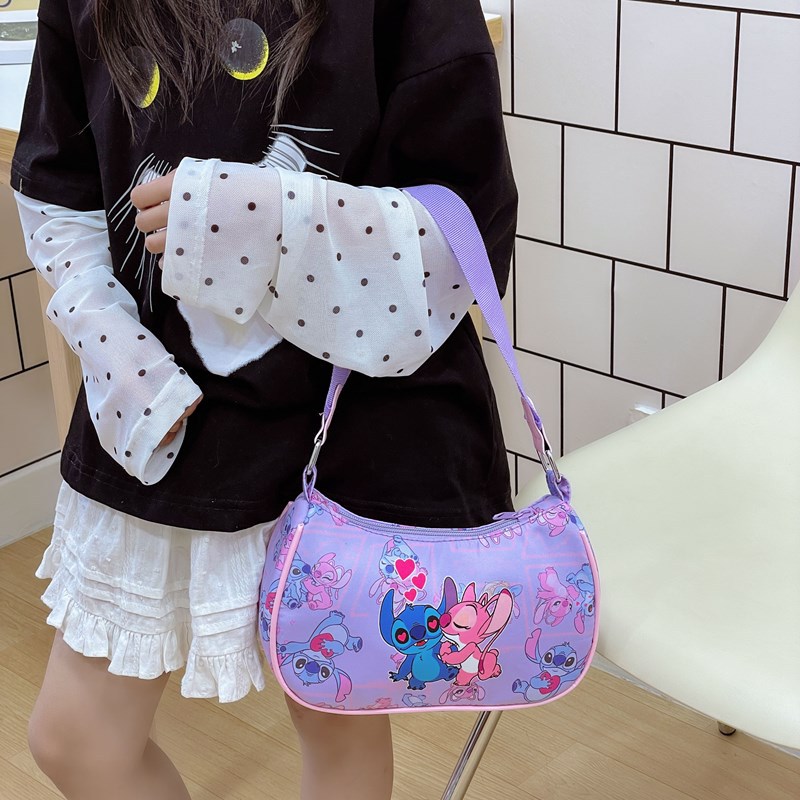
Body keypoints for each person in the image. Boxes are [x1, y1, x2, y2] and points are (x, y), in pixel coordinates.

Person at [11, 0, 517, 798]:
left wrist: (264, 223)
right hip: (157, 415)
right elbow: (58, 185)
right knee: (75, 739)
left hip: (345, 428)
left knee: (335, 720)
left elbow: (465, 228)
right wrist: (115, 349)